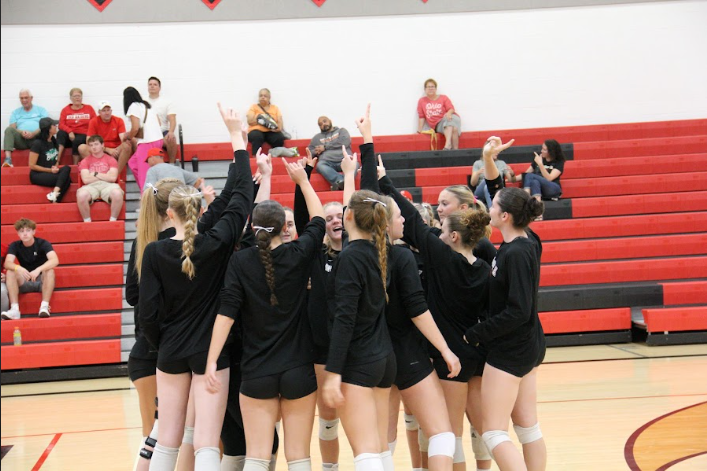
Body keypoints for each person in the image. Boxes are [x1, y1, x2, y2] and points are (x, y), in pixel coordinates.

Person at [138, 103, 253, 470]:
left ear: (168, 213)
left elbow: (148, 314)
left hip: (170, 351)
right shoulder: (216, 241)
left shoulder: (154, 251)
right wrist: (237, 139)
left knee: (167, 439)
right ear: (200, 209)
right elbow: (239, 198)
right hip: (210, 354)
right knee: (205, 439)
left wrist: (165, 344)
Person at [352, 104, 459, 471]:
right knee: (442, 435)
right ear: (386, 221)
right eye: (398, 214)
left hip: (373, 357)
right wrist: (444, 348)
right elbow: (417, 310)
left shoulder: (359, 254)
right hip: (408, 354)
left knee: (383, 443)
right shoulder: (401, 259)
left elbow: (367, 194)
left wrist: (368, 143)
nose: (403, 218)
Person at [206, 158, 325, 471]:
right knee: (299, 455)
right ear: (285, 228)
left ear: (251, 226)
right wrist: (302, 181)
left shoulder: (241, 262)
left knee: (257, 455)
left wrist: (211, 360)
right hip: (299, 369)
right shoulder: (299, 253)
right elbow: (319, 219)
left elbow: (226, 313)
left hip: (256, 371)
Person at [464, 141, 547, 470]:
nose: (488, 207)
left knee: (493, 431)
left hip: (511, 349)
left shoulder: (513, 254)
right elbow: (499, 188)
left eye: (493, 205)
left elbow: (518, 310)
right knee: (528, 427)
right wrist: (487, 158)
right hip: (529, 344)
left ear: (505, 216)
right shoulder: (526, 238)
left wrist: (477, 333)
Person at [321, 189, 396, 471]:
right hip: (383, 357)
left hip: (360, 360)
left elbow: (345, 319)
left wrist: (333, 372)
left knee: (366, 452)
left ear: (348, 215)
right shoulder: (378, 252)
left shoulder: (350, 257)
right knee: (377, 446)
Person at [1, 219, 58, 320]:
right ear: (18, 233)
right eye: (22, 231)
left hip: (42, 281)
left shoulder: (43, 243)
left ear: (33, 232)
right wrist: (19, 268)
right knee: (11, 271)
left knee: (50, 270)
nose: (25, 234)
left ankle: (44, 306)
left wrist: (38, 269)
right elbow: (7, 263)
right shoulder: (15, 245)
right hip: (25, 280)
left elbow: (54, 260)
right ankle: (15, 310)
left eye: (28, 230)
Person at [123, 86, 164, 191]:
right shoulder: (147, 105)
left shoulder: (133, 106)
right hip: (158, 139)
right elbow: (159, 123)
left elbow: (135, 128)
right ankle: (148, 192)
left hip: (147, 143)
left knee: (144, 175)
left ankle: (146, 200)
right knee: (133, 163)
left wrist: (128, 136)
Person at [76, 135, 125, 223]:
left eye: (96, 144)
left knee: (117, 193)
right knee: (81, 195)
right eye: (91, 145)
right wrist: (105, 176)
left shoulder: (111, 160)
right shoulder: (85, 161)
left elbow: (113, 178)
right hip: (91, 186)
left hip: (108, 185)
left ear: (102, 145)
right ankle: (87, 221)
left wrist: (95, 174)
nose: (94, 147)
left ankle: (113, 220)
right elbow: (86, 180)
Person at [79, 101, 132, 174]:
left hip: (116, 150)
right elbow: (89, 141)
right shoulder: (94, 121)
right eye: (104, 111)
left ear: (111, 111)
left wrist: (129, 136)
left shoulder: (118, 120)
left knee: (126, 146)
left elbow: (122, 138)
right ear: (99, 112)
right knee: (82, 147)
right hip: (100, 149)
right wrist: (107, 149)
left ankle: (116, 174)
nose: (107, 113)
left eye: (108, 110)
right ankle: (99, 170)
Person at [28, 118, 72, 203]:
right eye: (54, 125)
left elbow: (55, 159)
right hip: (38, 174)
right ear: (48, 128)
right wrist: (50, 170)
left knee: (66, 168)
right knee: (67, 179)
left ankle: (54, 195)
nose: (56, 127)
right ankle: (55, 199)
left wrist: (55, 165)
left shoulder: (53, 141)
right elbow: (32, 165)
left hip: (50, 171)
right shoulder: (37, 143)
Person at [3, 89, 48, 168]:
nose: (24, 100)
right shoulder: (15, 112)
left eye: (26, 97)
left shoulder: (41, 110)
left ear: (31, 98)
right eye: (22, 98)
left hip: (37, 139)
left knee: (45, 127)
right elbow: (13, 128)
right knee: (8, 129)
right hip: (22, 140)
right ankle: (8, 160)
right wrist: (22, 132)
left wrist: (33, 133)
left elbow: (45, 125)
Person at [307, 116, 354, 191]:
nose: (323, 124)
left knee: (354, 164)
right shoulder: (316, 138)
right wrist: (315, 152)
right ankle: (341, 181)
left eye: (325, 121)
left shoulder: (341, 131)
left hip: (344, 159)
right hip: (327, 162)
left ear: (330, 120)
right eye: (320, 124)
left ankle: (340, 184)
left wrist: (325, 147)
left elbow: (345, 142)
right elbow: (310, 151)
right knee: (320, 165)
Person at [417, 79, 461, 150]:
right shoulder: (422, 101)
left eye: (432, 87)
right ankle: (455, 150)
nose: (431, 88)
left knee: (449, 121)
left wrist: (449, 113)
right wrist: (419, 130)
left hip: (450, 118)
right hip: (438, 124)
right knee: (454, 129)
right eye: (429, 87)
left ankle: (447, 145)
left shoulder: (443, 98)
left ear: (436, 88)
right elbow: (421, 116)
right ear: (425, 89)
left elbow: (451, 109)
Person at [57, 88, 96, 165]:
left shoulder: (89, 108)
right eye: (75, 96)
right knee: (60, 134)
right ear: (71, 98)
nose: (77, 98)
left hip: (84, 134)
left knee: (77, 140)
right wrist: (69, 131)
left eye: (79, 96)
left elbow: (95, 122)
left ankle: (75, 165)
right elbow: (61, 124)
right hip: (70, 135)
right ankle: (57, 160)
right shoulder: (65, 110)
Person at [520, 139, 565, 205]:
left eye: (544, 150)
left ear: (551, 151)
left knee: (530, 176)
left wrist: (540, 164)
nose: (541, 151)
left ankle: (525, 198)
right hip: (541, 190)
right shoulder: (539, 158)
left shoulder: (559, 162)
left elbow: (549, 178)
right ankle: (538, 210)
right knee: (534, 182)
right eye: (542, 149)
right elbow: (525, 174)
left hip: (553, 188)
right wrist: (512, 178)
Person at [146, 76, 178, 164]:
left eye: (155, 84)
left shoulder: (167, 101)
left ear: (159, 88)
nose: (152, 86)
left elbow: (172, 120)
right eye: (150, 84)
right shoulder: (142, 102)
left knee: (172, 138)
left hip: (162, 132)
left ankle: (172, 165)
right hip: (146, 133)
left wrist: (171, 132)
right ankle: (141, 166)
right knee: (133, 140)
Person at [247, 89, 286, 156]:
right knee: (257, 136)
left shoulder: (275, 108)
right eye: (261, 95)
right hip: (256, 131)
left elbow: (280, 121)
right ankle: (255, 157)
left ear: (269, 98)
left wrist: (278, 128)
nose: (263, 97)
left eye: (265, 96)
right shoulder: (253, 107)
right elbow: (250, 121)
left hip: (270, 131)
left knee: (279, 137)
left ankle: (275, 155)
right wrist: (262, 120)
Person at [1, 243, 9, 314]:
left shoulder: (4, 248)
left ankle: (3, 319)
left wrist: (5, 275)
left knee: (2, 291)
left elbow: (12, 266)